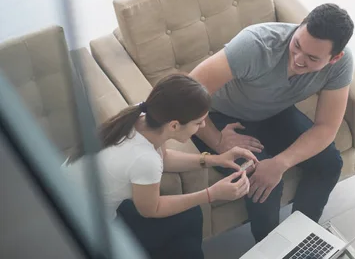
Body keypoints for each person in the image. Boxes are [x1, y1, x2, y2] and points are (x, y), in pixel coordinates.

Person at [190, 3, 354, 242]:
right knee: (263, 183)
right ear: (298, 28)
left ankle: (301, 243)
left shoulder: (342, 63)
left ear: (334, 57)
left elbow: (327, 127)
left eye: (311, 58)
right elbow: (187, 94)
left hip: (274, 112)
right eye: (297, 45)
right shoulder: (255, 45)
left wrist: (281, 163)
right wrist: (218, 141)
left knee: (328, 163)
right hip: (220, 118)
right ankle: (272, 248)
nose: (297, 59)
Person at [63, 74, 257, 259]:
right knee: (186, 238)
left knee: (190, 221)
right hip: (85, 232)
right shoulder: (144, 159)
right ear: (174, 125)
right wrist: (212, 193)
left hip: (87, 208)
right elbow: (151, 209)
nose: (204, 126)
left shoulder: (143, 118)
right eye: (198, 122)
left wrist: (215, 159)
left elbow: (164, 159)